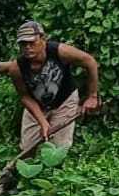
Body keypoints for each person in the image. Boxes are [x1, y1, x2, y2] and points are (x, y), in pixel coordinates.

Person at [10, 20, 99, 149]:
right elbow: (25, 97)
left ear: (42, 39)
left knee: (59, 147)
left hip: (64, 99)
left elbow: (90, 62)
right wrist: (42, 122)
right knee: (27, 147)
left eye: (32, 42)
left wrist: (92, 95)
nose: (28, 47)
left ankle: (56, 168)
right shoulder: (16, 68)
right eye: (23, 44)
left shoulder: (60, 51)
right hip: (37, 104)